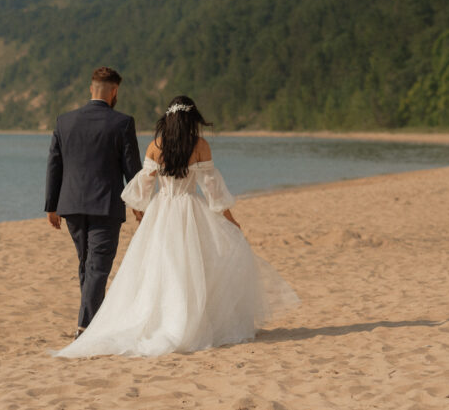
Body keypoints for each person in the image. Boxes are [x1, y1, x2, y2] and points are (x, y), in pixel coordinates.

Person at [54, 95, 298, 358]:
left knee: (159, 268)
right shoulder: (200, 145)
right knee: (192, 267)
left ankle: (161, 320)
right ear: (191, 119)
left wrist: (144, 213)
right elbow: (212, 190)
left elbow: (141, 191)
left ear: (168, 119)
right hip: (190, 209)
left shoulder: (155, 146)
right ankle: (188, 321)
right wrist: (231, 219)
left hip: (163, 210)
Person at [45, 67, 143, 339]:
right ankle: (85, 327)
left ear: (91, 88)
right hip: (105, 205)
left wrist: (51, 206)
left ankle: (89, 322)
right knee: (97, 267)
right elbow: (132, 170)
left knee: (87, 264)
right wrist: (138, 204)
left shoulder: (65, 121)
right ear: (114, 91)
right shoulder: (122, 122)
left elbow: (55, 164)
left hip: (72, 204)